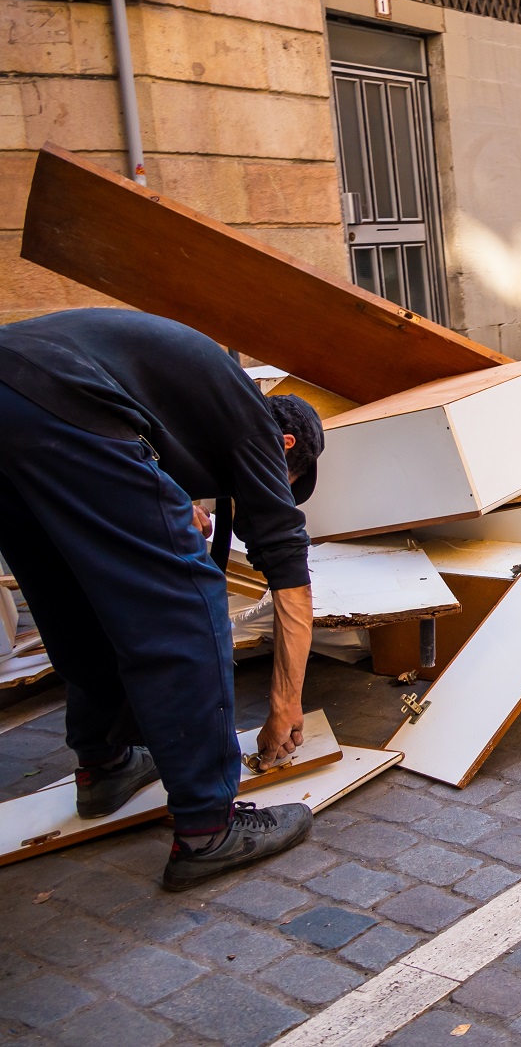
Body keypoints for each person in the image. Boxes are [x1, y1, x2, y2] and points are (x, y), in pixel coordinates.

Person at [0, 309, 325, 890]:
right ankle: (209, 829)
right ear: (286, 444)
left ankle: (105, 765)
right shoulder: (254, 424)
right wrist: (284, 706)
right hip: (60, 399)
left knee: (76, 591)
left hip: (19, 396)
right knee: (187, 600)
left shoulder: (198, 404)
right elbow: (291, 582)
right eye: (281, 482)